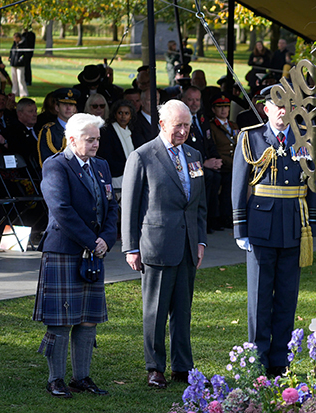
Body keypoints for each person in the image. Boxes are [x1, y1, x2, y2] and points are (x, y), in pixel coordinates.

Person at [231, 85, 316, 375]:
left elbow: (311, 183)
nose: (282, 111)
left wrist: (312, 222)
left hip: (293, 225)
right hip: (260, 227)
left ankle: (280, 360)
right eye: (276, 105)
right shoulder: (251, 137)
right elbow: (239, 184)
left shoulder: (304, 137)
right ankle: (258, 359)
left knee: (286, 297)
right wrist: (239, 226)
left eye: (288, 105)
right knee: (259, 298)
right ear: (265, 109)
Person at [121, 99, 207, 388]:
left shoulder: (194, 155)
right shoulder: (142, 156)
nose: (183, 131)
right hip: (156, 245)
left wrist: (201, 240)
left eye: (187, 125)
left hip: (187, 246)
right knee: (155, 312)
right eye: (177, 125)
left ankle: (183, 367)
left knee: (183, 311)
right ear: (161, 125)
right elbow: (129, 206)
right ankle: (154, 367)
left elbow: (199, 205)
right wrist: (131, 247)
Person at [32, 113, 118, 398]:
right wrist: (93, 241)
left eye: (97, 139)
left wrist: (106, 239)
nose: (95, 144)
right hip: (64, 251)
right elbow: (61, 210)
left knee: (88, 318)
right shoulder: (56, 166)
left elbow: (112, 206)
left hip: (93, 251)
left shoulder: (101, 166)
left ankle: (81, 377)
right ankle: (55, 379)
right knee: (60, 321)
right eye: (89, 139)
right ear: (71, 140)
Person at [182, 86, 223, 232]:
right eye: (190, 100)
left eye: (197, 100)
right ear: (183, 100)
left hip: (207, 162)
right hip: (190, 165)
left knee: (218, 175)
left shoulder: (202, 117)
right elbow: (185, 147)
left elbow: (209, 141)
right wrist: (204, 163)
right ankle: (202, 221)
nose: (194, 103)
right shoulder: (182, 120)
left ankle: (214, 219)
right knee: (209, 176)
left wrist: (216, 159)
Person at [208, 95, 238, 229]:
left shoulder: (233, 125)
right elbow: (214, 147)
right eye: (220, 107)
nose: (224, 110)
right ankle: (221, 216)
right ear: (213, 110)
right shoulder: (212, 126)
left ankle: (230, 216)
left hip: (233, 164)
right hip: (223, 164)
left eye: (226, 107)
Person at [97, 99, 137, 192]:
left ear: (131, 116)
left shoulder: (132, 131)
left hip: (131, 178)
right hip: (115, 180)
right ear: (115, 114)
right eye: (120, 113)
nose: (123, 116)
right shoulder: (107, 132)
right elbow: (105, 157)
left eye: (126, 113)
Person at [39, 88, 80, 166]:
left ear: (75, 109)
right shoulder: (48, 131)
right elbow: (46, 160)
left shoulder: (81, 130)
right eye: (64, 104)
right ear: (57, 108)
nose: (68, 108)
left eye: (71, 105)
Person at [3, 98, 41, 172]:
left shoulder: (40, 128)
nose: (35, 114)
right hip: (28, 171)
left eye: (35, 111)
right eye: (30, 111)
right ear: (20, 114)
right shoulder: (13, 131)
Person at [9, 32, 29, 98]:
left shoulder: (24, 44)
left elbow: (25, 54)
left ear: (18, 38)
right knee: (14, 79)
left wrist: (21, 60)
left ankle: (23, 93)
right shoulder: (14, 44)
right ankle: (15, 92)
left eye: (15, 38)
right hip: (13, 63)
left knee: (20, 79)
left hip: (20, 64)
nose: (14, 40)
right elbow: (12, 51)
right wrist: (10, 58)